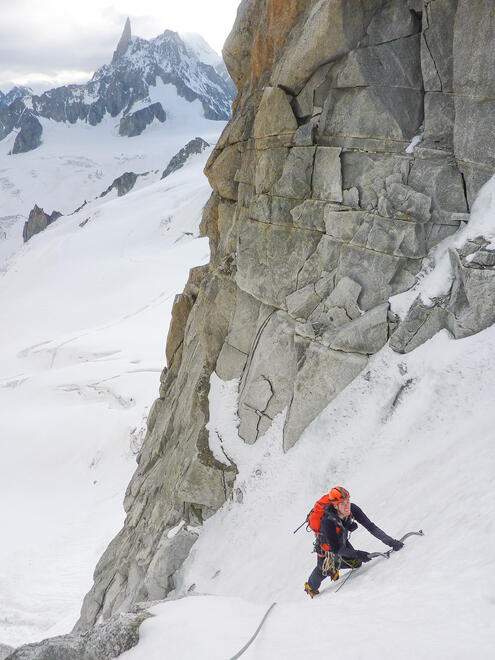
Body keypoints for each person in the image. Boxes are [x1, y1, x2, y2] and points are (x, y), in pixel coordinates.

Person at [304, 486, 404, 598]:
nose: (347, 505)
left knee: (356, 563)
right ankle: (311, 587)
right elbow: (336, 549)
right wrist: (358, 554)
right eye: (342, 503)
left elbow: (370, 527)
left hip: (341, 541)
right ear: (335, 506)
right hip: (327, 548)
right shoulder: (328, 522)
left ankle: (334, 566)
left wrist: (391, 542)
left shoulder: (353, 509)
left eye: (348, 501)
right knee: (322, 569)